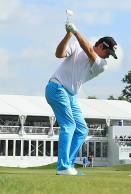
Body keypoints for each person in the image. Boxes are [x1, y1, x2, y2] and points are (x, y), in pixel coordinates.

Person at [45, 21, 118, 176]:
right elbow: (59, 54)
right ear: (102, 46)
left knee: (82, 130)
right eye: (108, 53)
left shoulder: (102, 64)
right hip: (56, 88)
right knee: (69, 126)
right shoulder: (77, 47)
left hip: (70, 94)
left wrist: (76, 32)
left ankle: (69, 165)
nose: (108, 57)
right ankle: (63, 167)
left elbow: (90, 51)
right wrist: (68, 35)